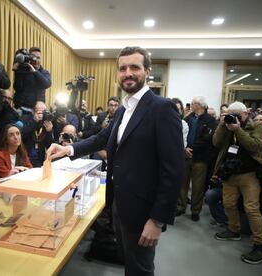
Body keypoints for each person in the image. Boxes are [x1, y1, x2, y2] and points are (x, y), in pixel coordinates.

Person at [47, 46, 184, 276]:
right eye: (122, 68)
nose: (128, 73)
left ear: (147, 71)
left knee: (140, 269)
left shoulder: (162, 108)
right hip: (119, 204)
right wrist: (68, 148)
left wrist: (157, 220)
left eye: (134, 67)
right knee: (129, 264)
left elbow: (173, 169)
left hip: (143, 211)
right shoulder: (123, 109)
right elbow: (101, 138)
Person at [213, 101, 262, 264]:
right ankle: (234, 230)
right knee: (228, 204)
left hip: (249, 174)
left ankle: (260, 246)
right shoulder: (226, 126)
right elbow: (216, 143)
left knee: (252, 209)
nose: (233, 118)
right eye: (230, 114)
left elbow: (254, 147)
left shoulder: (257, 126)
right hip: (230, 173)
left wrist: (237, 129)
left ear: (245, 114)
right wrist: (222, 126)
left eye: (236, 115)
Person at [176, 96, 217, 221]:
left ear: (199, 105)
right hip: (185, 155)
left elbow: (207, 139)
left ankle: (195, 211)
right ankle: (180, 207)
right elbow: (180, 133)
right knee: (182, 183)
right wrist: (184, 149)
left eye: (193, 103)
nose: (190, 105)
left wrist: (191, 149)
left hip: (200, 157)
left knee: (198, 186)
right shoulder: (188, 118)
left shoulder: (210, 120)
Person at [13, 47, 51, 114]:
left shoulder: (44, 72)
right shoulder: (23, 70)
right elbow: (17, 87)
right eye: (33, 57)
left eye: (38, 57)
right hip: (22, 108)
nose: (36, 60)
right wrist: (17, 72)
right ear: (29, 58)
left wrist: (35, 72)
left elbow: (46, 84)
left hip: (37, 109)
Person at [20, 101, 54, 167]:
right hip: (25, 157)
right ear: (33, 112)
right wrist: (34, 122)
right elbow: (22, 135)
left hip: (39, 159)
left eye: (43, 112)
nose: (41, 115)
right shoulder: (25, 119)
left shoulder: (46, 122)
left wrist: (49, 131)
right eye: (39, 112)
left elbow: (50, 146)